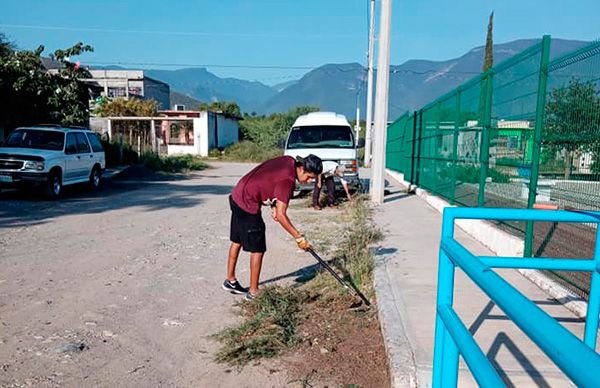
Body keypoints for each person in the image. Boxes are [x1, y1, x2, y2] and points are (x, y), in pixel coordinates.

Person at [222, 154, 323, 301]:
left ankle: (230, 281)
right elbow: (282, 216)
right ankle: (253, 292)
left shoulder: (289, 160)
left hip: (238, 193)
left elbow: (270, 179)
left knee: (237, 240)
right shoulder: (287, 182)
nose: (309, 181)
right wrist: (298, 237)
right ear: (301, 169)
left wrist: (274, 205)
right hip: (248, 203)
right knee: (258, 249)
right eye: (309, 177)